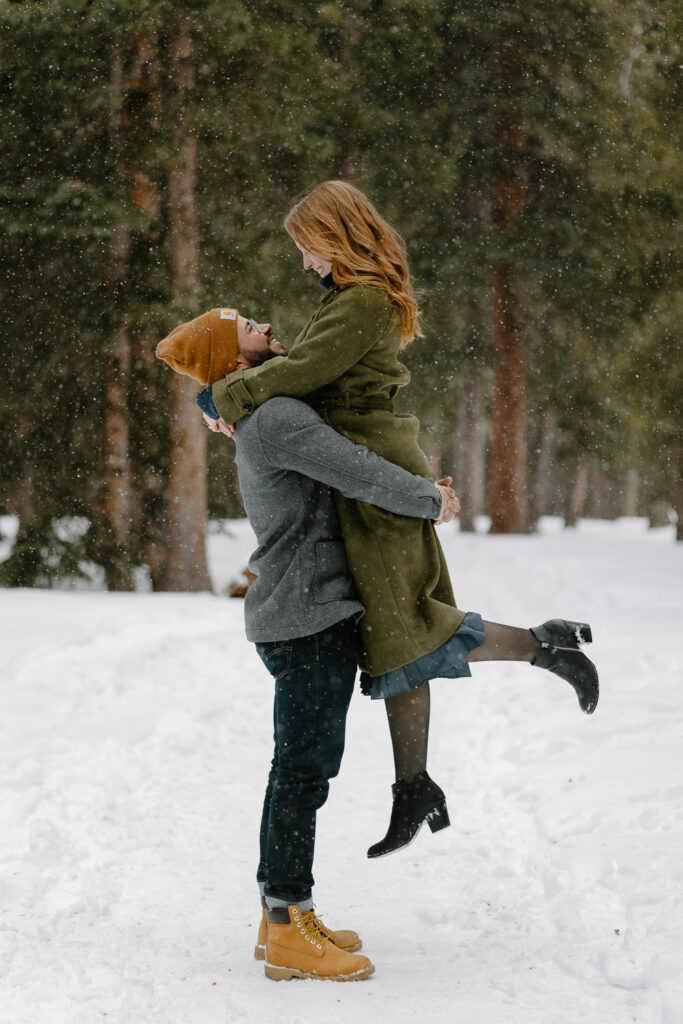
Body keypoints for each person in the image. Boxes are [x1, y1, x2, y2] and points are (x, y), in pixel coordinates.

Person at [199, 181, 600, 861]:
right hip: (365, 462)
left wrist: (223, 394)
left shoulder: (360, 303)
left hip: (371, 467)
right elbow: (304, 370)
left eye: (305, 248)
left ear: (335, 236)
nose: (302, 264)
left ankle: (541, 645)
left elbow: (307, 372)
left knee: (408, 625)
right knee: (395, 630)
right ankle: (413, 784)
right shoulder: (349, 301)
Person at [156, 308, 459, 982]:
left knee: (301, 768)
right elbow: (354, 469)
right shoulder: (274, 420)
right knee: (301, 772)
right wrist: (427, 500)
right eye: (246, 327)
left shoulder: (266, 408)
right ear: (234, 360)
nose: (264, 325)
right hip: (306, 616)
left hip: (305, 611)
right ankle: (289, 919)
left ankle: (281, 915)